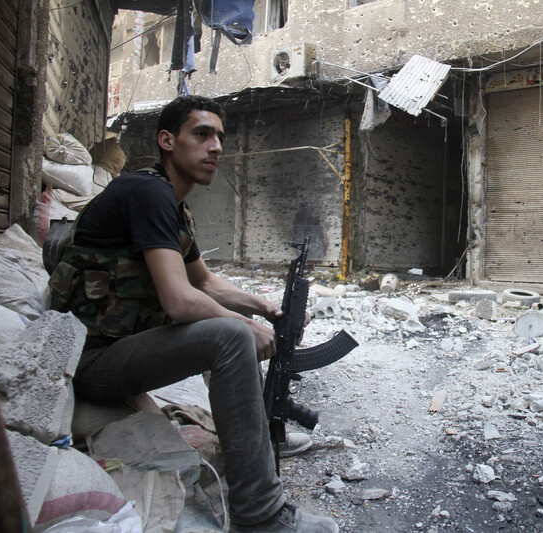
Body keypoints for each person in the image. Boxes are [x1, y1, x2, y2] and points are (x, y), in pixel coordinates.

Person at [48, 95, 338, 533]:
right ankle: (261, 516)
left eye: (220, 137)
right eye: (202, 134)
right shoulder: (146, 192)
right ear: (167, 140)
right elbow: (180, 300)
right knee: (229, 336)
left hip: (120, 349)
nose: (216, 146)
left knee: (232, 328)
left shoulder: (170, 203)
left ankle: (258, 441)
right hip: (93, 362)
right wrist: (246, 326)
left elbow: (204, 282)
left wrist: (267, 309)